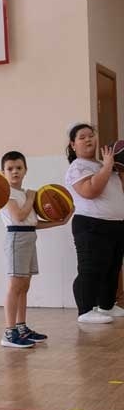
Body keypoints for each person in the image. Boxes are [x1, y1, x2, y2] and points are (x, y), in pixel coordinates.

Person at [0, 150, 70, 347]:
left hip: (29, 236)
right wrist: (31, 197)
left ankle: (21, 327)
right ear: (3, 172)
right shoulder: (6, 193)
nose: (15, 172)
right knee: (15, 286)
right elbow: (19, 217)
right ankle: (9, 332)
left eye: (18, 168)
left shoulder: (24, 193)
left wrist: (60, 222)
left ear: (25, 170)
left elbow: (32, 222)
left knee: (25, 286)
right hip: (16, 239)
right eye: (10, 169)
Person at [64, 123, 124, 324]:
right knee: (90, 268)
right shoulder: (77, 167)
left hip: (115, 224)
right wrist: (108, 166)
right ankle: (85, 310)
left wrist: (113, 166)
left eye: (91, 135)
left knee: (112, 268)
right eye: (82, 137)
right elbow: (90, 191)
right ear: (73, 145)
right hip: (90, 225)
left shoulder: (105, 165)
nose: (89, 139)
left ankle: (106, 306)